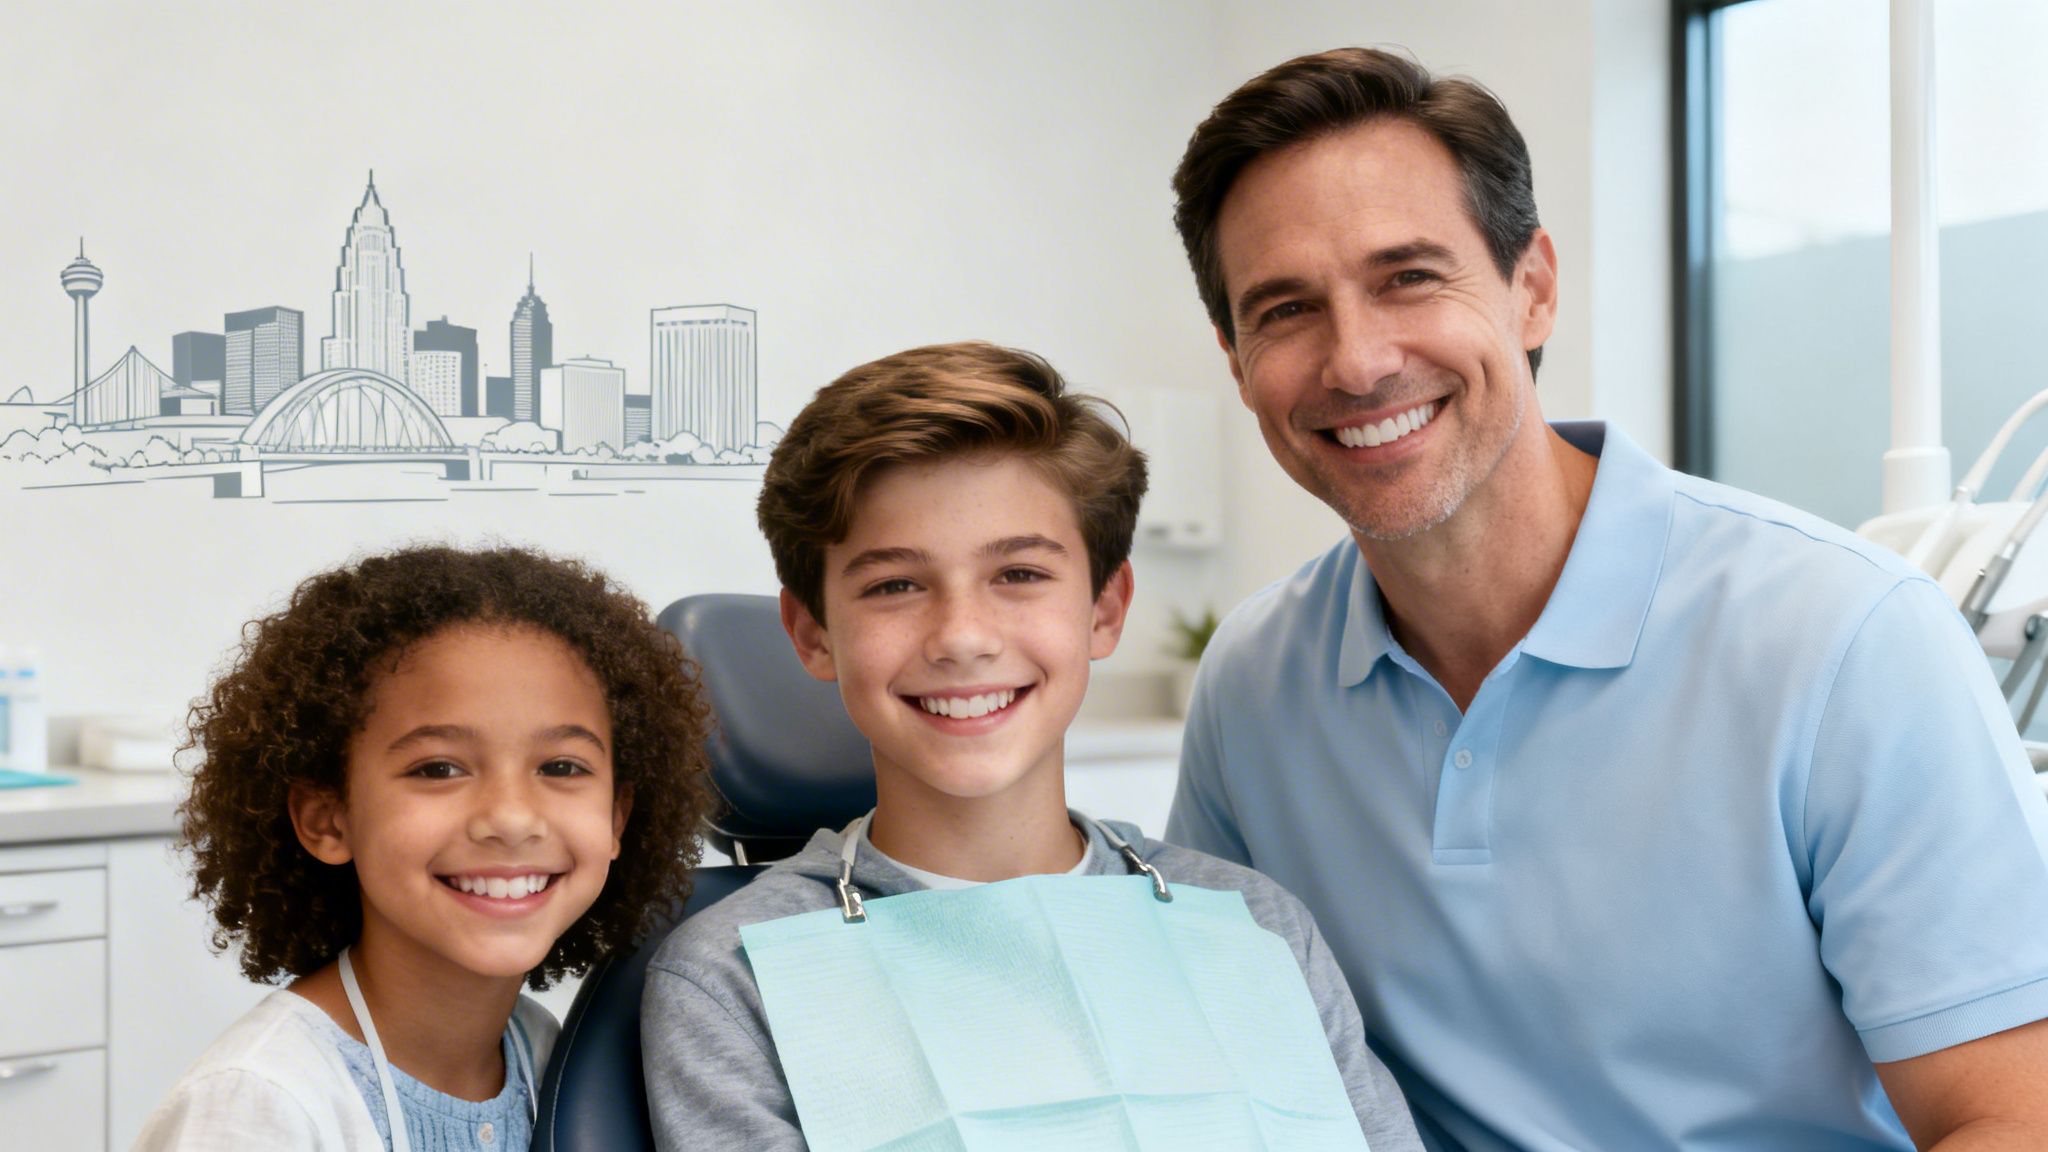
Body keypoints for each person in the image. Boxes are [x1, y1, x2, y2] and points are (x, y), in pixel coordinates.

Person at [1162, 45, 2048, 1151]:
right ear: (1236, 360)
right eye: (1285, 308)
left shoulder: (1842, 641)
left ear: (1531, 287)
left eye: (1407, 277)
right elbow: (1229, 1078)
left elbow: (2011, 1120)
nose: (1355, 360)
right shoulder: (1253, 687)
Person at [639, 341, 1423, 1150]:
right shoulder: (734, 979)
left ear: (1104, 610)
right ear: (812, 632)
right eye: (894, 585)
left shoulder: (1255, 930)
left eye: (1018, 574)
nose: (963, 638)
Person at [136, 545, 714, 1151]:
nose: (512, 819)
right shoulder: (259, 1105)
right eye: (438, 769)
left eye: (562, 766)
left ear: (617, 818)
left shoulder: (548, 1059)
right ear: (329, 820)